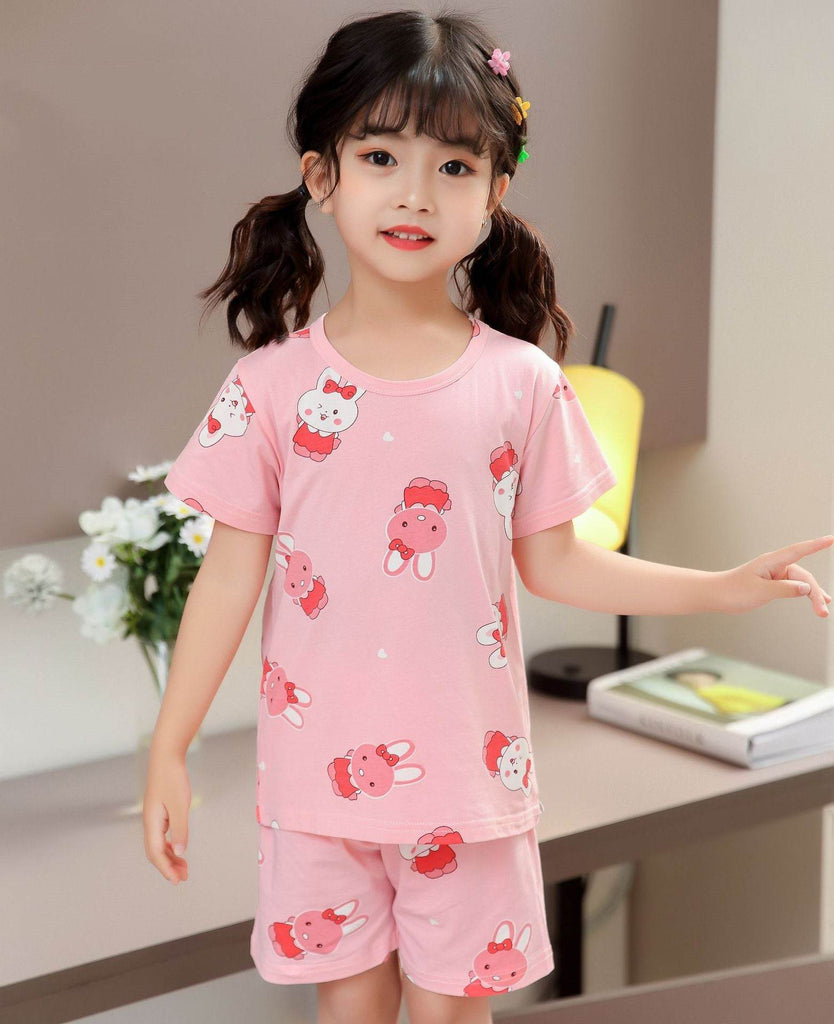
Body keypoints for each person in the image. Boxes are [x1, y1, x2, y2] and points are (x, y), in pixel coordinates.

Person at [143, 9, 833, 1024]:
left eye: (455, 167)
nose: (415, 193)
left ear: (496, 192)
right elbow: (229, 575)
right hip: (317, 790)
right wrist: (169, 746)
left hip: (468, 786)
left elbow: (558, 562)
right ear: (323, 175)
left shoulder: (522, 383)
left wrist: (721, 589)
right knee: (349, 1007)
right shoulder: (270, 388)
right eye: (381, 156)